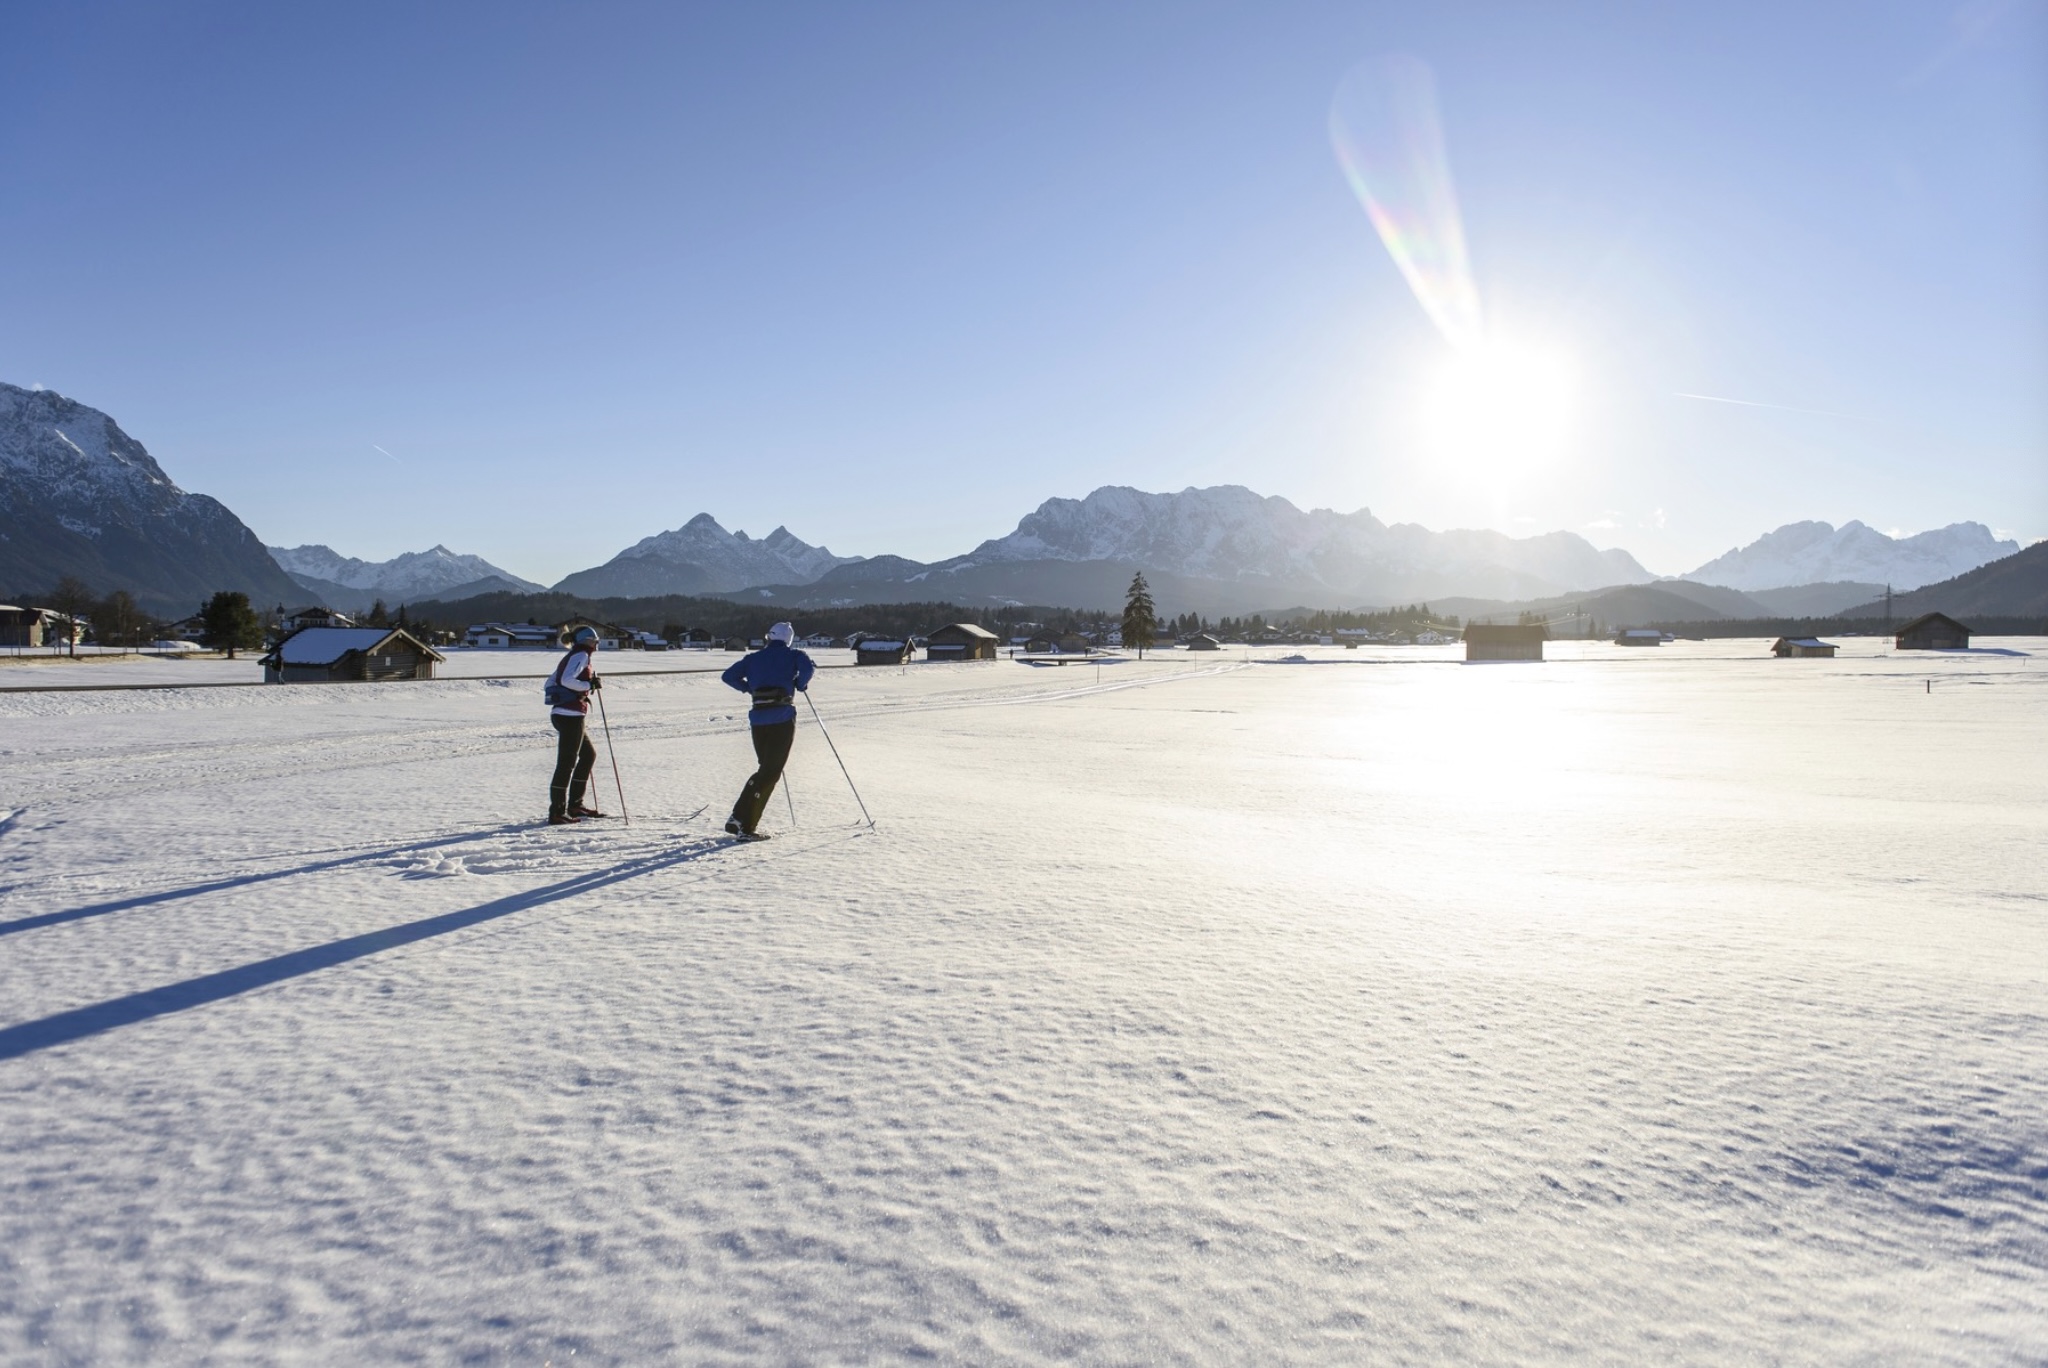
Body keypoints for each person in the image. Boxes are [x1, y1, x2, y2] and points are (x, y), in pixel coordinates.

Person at [720, 622, 815, 839]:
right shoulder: (795, 655)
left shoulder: (753, 658)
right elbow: (808, 669)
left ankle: (741, 820)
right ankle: (743, 823)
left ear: (769, 638)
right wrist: (800, 684)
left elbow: (728, 676)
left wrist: (748, 688)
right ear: (789, 639)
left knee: (766, 770)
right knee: (770, 772)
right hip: (782, 718)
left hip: (758, 719)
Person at [544, 626, 606, 825]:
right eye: (595, 640)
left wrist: (586, 685)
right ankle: (557, 812)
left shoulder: (575, 655)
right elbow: (565, 679)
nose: (597, 643)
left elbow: (550, 683)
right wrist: (589, 686)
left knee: (588, 755)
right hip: (570, 715)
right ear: (586, 640)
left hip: (565, 713)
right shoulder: (580, 655)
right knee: (566, 763)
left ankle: (575, 805)